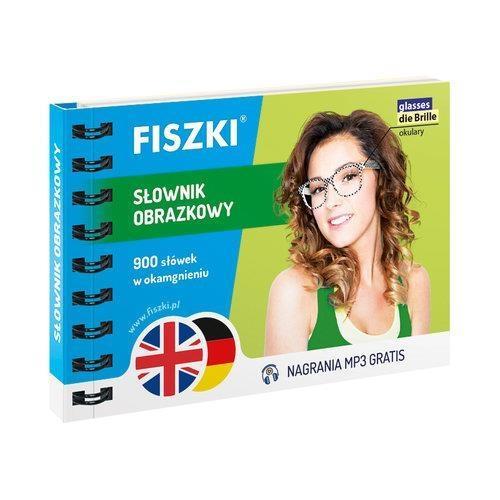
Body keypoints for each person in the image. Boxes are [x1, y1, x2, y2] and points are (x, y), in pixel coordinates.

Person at [265, 110, 430, 354]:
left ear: (381, 179)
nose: (331, 201)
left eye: (349, 176)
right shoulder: (295, 290)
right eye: (318, 189)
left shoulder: (414, 282)